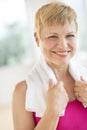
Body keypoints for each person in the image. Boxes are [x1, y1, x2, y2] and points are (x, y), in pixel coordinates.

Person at [12, 1, 87, 130]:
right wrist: (52, 111)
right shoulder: (23, 92)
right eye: (53, 37)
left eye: (70, 35)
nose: (63, 45)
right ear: (37, 38)